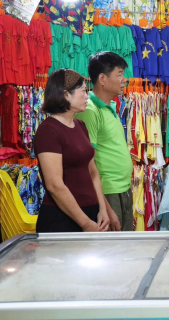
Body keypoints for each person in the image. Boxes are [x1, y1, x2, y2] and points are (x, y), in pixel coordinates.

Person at [34, 69, 110, 233]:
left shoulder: (80, 126)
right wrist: (86, 224)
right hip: (62, 219)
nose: (87, 96)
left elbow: (93, 172)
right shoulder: (48, 131)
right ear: (66, 95)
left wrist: (103, 209)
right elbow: (55, 185)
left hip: (91, 213)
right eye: (83, 91)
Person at [76, 52, 133, 231]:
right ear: (102, 79)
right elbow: (87, 164)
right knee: (111, 245)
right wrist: (106, 208)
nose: (124, 80)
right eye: (119, 74)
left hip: (122, 189)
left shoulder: (111, 106)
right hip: (108, 193)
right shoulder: (90, 111)